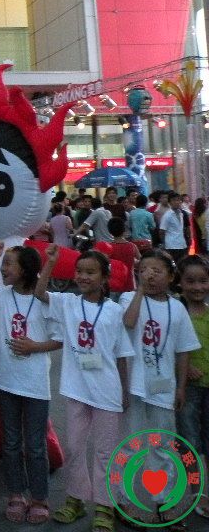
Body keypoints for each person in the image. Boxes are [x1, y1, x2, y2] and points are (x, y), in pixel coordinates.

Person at [35, 246, 133, 531]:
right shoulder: (67, 303)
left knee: (105, 452)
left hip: (106, 393)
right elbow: (40, 293)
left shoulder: (114, 311)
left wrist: (124, 390)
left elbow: (121, 355)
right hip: (76, 389)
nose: (83, 277)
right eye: (79, 271)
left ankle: (105, 505)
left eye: (90, 272)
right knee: (75, 447)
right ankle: (76, 499)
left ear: (105, 277)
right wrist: (51, 263)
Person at [0, 243, 61, 524]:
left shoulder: (45, 300)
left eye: (9, 263)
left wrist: (35, 347)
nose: (4, 268)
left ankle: (40, 498)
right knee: (10, 443)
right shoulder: (1, 295)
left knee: (35, 445)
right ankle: (16, 494)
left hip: (35, 384)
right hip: (5, 382)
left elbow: (59, 339)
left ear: (25, 270)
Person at [117, 250, 200, 523]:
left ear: (171, 276)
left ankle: (164, 500)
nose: (150, 276)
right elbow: (128, 322)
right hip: (134, 386)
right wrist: (140, 290)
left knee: (161, 445)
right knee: (130, 444)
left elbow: (184, 350)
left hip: (164, 389)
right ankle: (122, 500)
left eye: (157, 271)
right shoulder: (129, 298)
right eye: (144, 270)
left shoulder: (177, 308)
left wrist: (181, 387)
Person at [176, 255, 209, 518]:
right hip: (188, 390)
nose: (197, 287)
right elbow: (166, 348)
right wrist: (185, 371)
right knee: (189, 444)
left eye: (203, 281)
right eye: (191, 281)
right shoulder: (177, 314)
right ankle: (197, 493)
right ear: (180, 282)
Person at [106, 217, 140, 292]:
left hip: (114, 286)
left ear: (109, 231)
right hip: (130, 285)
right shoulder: (132, 246)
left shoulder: (108, 247)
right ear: (124, 229)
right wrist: (133, 262)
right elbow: (141, 262)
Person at [158, 191, 191, 264]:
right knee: (174, 265)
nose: (177, 202)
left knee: (183, 265)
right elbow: (161, 232)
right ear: (170, 202)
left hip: (182, 244)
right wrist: (165, 244)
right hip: (171, 246)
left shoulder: (181, 214)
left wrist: (189, 238)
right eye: (174, 200)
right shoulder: (167, 215)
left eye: (179, 200)